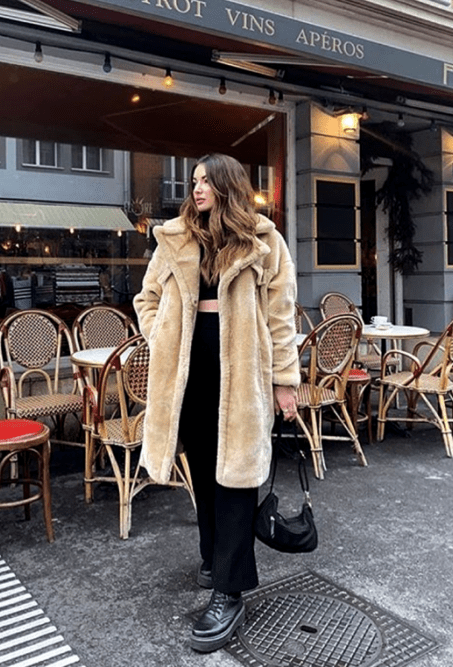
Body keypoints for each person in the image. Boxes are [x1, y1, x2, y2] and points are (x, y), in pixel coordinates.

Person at [133, 153, 300, 653]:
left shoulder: (264, 242)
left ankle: (230, 589)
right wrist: (161, 334)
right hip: (188, 376)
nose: (197, 187)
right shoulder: (176, 238)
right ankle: (213, 555)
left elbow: (282, 315)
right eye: (194, 180)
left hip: (243, 375)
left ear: (229, 185)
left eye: (206, 180)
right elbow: (146, 299)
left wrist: (284, 381)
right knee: (205, 471)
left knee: (237, 478)